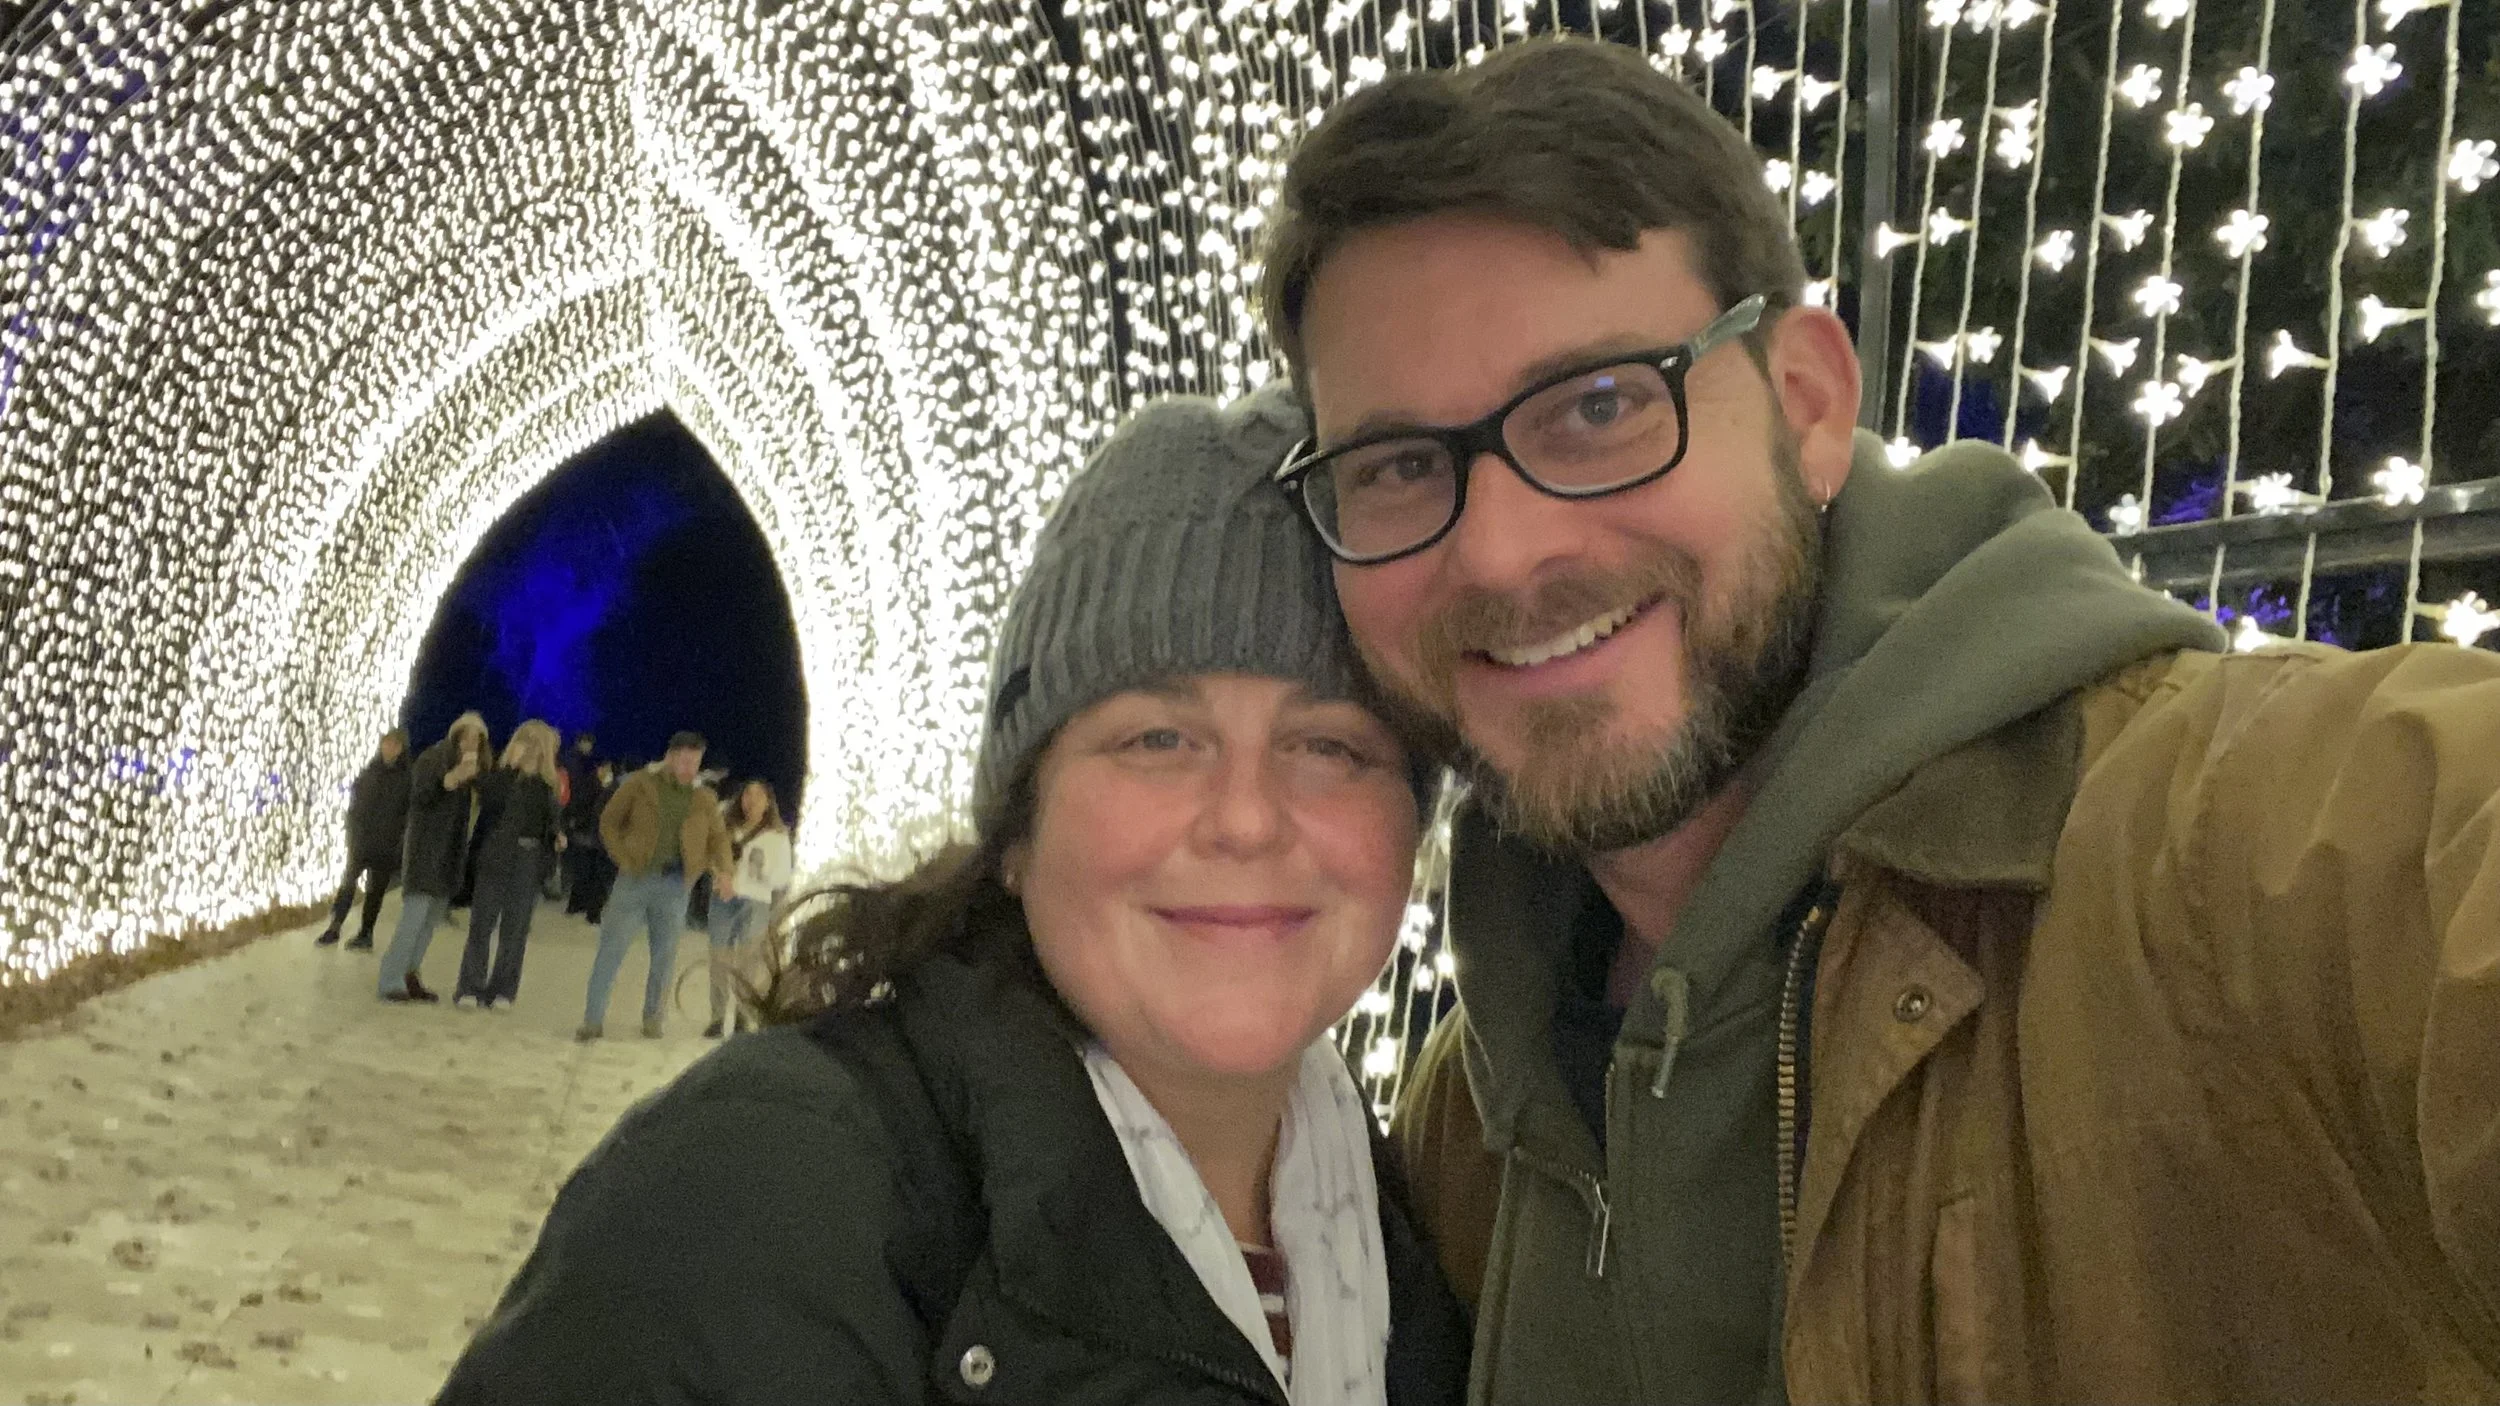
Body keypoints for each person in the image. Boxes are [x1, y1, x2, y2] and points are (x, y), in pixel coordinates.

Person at [1257, 36, 2500, 1403]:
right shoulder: (1473, 1125)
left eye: (1601, 406)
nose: (1498, 551)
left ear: (1808, 404)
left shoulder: (2226, 857)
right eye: (1395, 467)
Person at [436, 388, 1468, 1406]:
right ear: (1019, 831)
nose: (1245, 817)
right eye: (1160, 738)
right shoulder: (758, 1200)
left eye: (1331, 744)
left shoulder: (1443, 1242)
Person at [579, 733, 732, 1040]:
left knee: (664, 957)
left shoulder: (704, 799)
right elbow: (608, 822)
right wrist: (623, 856)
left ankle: (653, 1020)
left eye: (696, 761)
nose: (691, 767)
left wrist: (724, 871)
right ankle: (592, 1020)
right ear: (671, 757)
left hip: (676, 886)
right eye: (686, 760)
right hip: (634, 880)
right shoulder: (640, 784)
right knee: (611, 950)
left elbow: (718, 838)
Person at [377, 713, 490, 1004]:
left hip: (448, 856)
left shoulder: (474, 771)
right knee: (413, 918)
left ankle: (409, 974)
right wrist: (449, 781)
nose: (471, 742)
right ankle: (391, 977)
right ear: (456, 734)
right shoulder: (434, 758)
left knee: (429, 921)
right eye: (467, 735)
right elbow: (420, 797)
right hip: (426, 851)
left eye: (477, 738)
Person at [455, 719, 566, 1010]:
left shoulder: (546, 786)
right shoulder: (502, 777)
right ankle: (470, 987)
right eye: (524, 741)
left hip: (528, 859)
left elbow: (550, 823)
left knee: (515, 930)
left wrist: (557, 837)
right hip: (496, 853)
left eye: (534, 744)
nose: (529, 748)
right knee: (481, 924)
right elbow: (487, 797)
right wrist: (508, 769)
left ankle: (503, 990)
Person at [701, 779, 792, 1039]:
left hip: (755, 900)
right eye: (746, 794)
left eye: (757, 795)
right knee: (719, 957)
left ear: (768, 802)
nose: (750, 800)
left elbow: (783, 876)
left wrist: (761, 871)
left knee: (748, 963)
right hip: (724, 898)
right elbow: (711, 857)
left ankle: (743, 1014)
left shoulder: (776, 836)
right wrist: (719, 875)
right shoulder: (727, 829)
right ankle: (717, 1017)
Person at [318, 728, 411, 949]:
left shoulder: (406, 778)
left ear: (401, 749)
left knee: (375, 892)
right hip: (362, 842)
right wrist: (353, 832)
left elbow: (406, 813)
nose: (389, 748)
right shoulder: (370, 771)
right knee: (348, 884)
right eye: (386, 743)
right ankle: (335, 926)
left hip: (386, 846)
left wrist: (397, 842)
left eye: (394, 745)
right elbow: (356, 804)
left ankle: (366, 932)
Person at [559, 733, 603, 913]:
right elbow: (578, 791)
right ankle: (572, 899)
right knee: (578, 859)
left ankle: (573, 899)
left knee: (577, 858)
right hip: (576, 814)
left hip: (577, 815)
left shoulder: (582, 762)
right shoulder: (577, 763)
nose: (588, 747)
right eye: (586, 743)